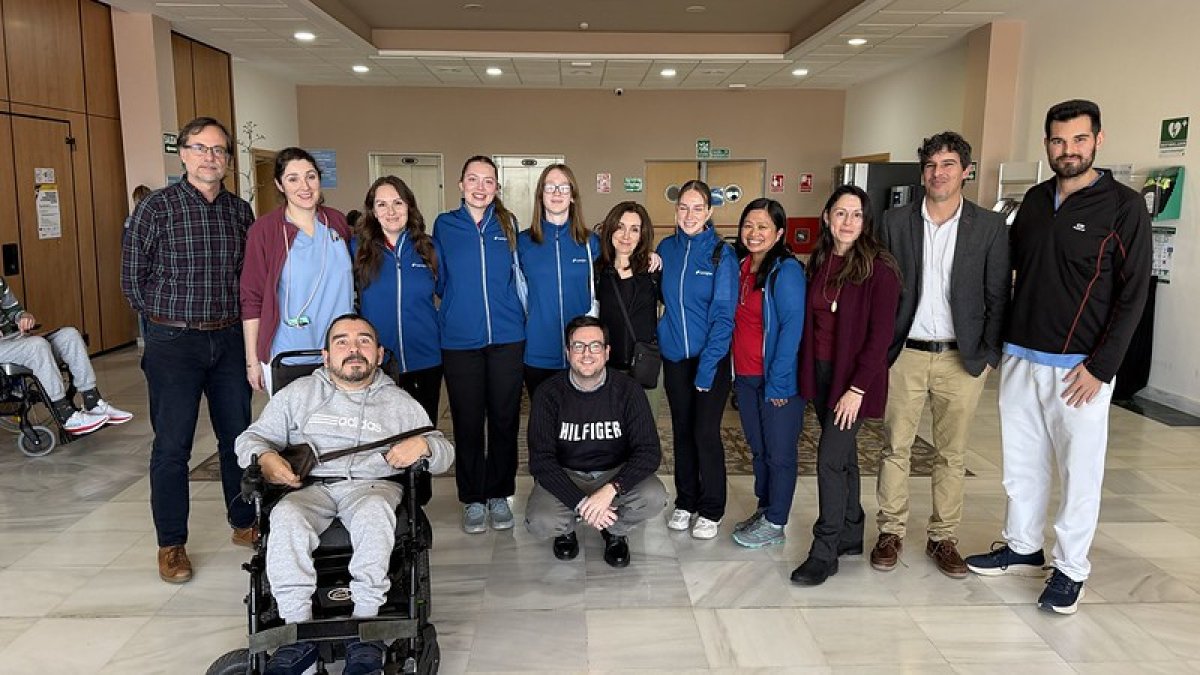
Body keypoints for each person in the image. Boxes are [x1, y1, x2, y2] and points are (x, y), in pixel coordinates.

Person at [964, 100, 1152, 615]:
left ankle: (1071, 568)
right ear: (1047, 143)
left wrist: (1102, 367)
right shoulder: (1034, 200)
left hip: (1079, 368)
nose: (1068, 150)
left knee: (1079, 471)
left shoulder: (1123, 207)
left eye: (1079, 140)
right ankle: (1023, 546)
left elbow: (1134, 295)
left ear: (1098, 140)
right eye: (1058, 141)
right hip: (1022, 356)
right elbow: (1012, 274)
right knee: (1021, 463)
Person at [234, 313, 453, 675]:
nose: (354, 349)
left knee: (373, 511)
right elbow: (250, 439)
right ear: (326, 355)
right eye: (342, 342)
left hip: (372, 486)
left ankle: (365, 632)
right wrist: (266, 458)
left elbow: (444, 452)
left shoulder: (398, 402)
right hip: (310, 486)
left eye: (364, 340)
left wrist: (424, 446)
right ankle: (297, 636)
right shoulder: (299, 394)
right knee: (286, 516)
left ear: (378, 354)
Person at [122, 116, 258, 584]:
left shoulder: (239, 211)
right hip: (174, 342)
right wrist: (167, 319)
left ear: (228, 159)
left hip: (228, 339)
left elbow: (248, 278)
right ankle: (171, 543)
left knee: (238, 439)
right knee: (172, 446)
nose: (210, 157)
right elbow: (132, 280)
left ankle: (244, 521)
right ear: (182, 154)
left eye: (218, 150)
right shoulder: (156, 208)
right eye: (200, 148)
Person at [871, 131, 1009, 579]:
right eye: (931, 165)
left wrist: (988, 355)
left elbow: (998, 294)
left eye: (948, 164)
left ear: (965, 171)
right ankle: (890, 531)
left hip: (962, 358)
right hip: (905, 354)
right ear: (922, 172)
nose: (938, 173)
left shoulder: (988, 227)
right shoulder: (894, 222)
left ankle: (942, 537)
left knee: (952, 453)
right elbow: (879, 288)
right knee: (895, 447)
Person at [791, 185, 900, 586]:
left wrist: (856, 389)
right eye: (841, 213)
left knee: (829, 460)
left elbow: (880, 337)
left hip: (853, 380)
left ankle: (825, 550)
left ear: (865, 221)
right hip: (822, 373)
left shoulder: (880, 269)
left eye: (856, 214)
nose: (848, 222)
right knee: (845, 457)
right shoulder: (820, 260)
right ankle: (852, 531)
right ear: (827, 217)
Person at [525, 315, 667, 567]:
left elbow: (649, 452)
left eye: (595, 346)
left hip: (614, 472)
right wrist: (580, 502)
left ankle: (614, 530)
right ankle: (566, 529)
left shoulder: (629, 390)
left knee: (654, 496)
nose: (587, 354)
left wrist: (612, 489)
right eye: (578, 346)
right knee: (540, 521)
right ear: (568, 352)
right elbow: (541, 461)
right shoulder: (548, 393)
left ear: (607, 352)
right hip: (567, 473)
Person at [433, 155, 525, 534]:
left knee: (504, 420)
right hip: (460, 341)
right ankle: (472, 497)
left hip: (507, 337)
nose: (480, 187)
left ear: (497, 187)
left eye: (488, 181)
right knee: (468, 421)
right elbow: (440, 279)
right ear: (460, 184)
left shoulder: (508, 223)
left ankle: (499, 494)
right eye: (473, 179)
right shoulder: (445, 225)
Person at [657, 179, 737, 540]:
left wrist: (706, 369)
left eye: (697, 208)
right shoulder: (666, 249)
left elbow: (724, 317)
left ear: (709, 211)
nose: (689, 215)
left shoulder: (721, 254)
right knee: (682, 431)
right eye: (683, 207)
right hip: (675, 358)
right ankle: (686, 501)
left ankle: (711, 508)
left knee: (705, 433)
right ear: (676, 210)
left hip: (711, 360)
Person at [240, 147, 353, 394]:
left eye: (311, 176)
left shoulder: (336, 222)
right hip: (289, 353)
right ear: (279, 185)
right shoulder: (265, 231)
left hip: (341, 351)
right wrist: (252, 361)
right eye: (293, 179)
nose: (305, 186)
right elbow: (252, 298)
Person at [728, 198, 806, 549]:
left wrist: (779, 383)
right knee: (759, 450)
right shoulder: (741, 266)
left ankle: (776, 521)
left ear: (778, 233)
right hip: (745, 378)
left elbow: (791, 329)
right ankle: (765, 509)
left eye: (763, 226)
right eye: (748, 225)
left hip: (777, 381)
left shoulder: (786, 271)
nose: (754, 232)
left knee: (780, 453)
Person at [352, 176, 443, 423]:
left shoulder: (429, 248)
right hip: (377, 360)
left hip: (426, 359)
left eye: (398, 203)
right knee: (382, 431)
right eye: (382, 204)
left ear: (409, 207)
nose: (391, 211)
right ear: (373, 211)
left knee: (423, 429)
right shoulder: (357, 249)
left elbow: (447, 293)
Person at [0, 279, 131, 433]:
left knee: (70, 335)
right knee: (37, 345)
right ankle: (65, 414)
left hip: (15, 339)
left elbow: (15, 311)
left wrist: (24, 316)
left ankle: (93, 401)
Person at [517, 164, 601, 397]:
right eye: (550, 187)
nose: (557, 193)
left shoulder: (590, 243)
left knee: (582, 417)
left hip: (581, 354)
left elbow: (623, 263)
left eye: (564, 187)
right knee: (543, 415)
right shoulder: (523, 243)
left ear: (572, 196)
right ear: (540, 195)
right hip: (538, 351)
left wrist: (649, 255)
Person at [594, 201, 661, 391]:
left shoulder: (653, 271)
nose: (626, 236)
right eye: (620, 227)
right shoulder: (597, 271)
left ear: (642, 235)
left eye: (634, 229)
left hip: (644, 365)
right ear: (610, 230)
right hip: (607, 368)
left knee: (644, 411)